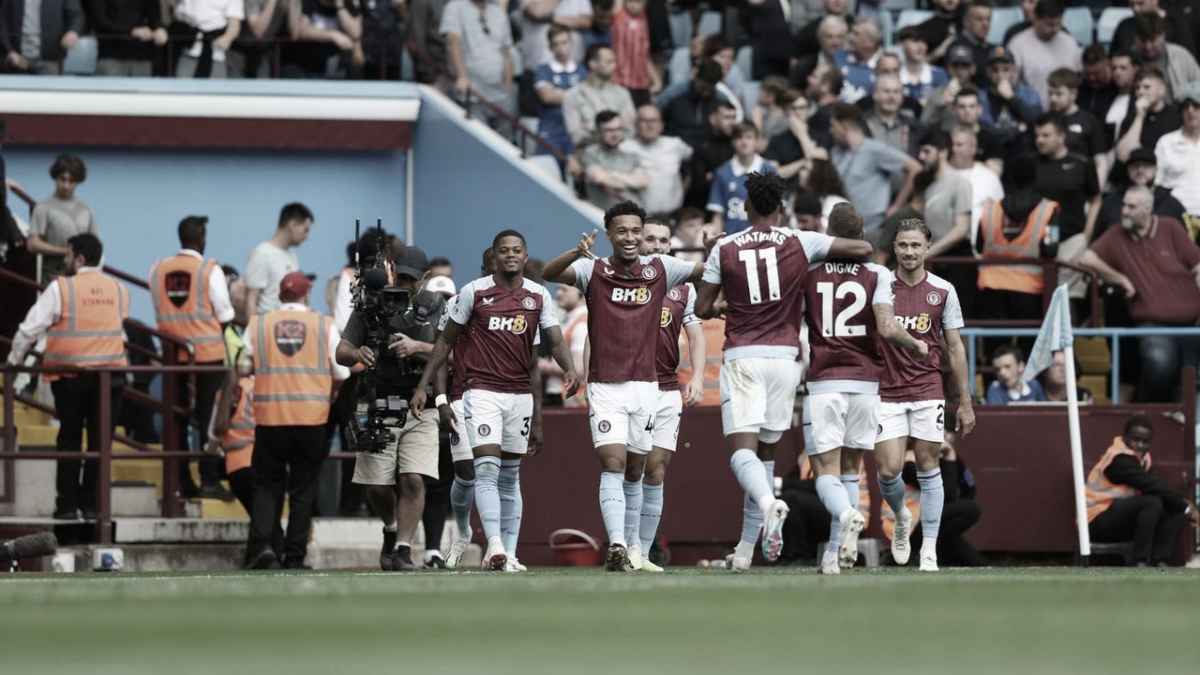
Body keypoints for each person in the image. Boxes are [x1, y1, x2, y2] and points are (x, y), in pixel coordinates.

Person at [694, 173, 872, 572]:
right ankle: (745, 549)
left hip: (744, 356)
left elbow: (703, 309)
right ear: (780, 206)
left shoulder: (725, 247)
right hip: (786, 359)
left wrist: (727, 298)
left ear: (747, 207)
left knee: (743, 452)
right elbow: (863, 247)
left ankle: (768, 503)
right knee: (767, 454)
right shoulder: (800, 241)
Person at [543, 201, 708, 571]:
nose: (631, 237)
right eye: (623, 231)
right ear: (610, 234)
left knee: (638, 469)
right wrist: (575, 250)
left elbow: (704, 270)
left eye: (637, 230)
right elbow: (547, 272)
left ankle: (636, 549)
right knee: (613, 462)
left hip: (648, 387)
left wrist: (715, 253)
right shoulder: (592, 269)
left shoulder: (662, 268)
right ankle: (617, 544)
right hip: (606, 386)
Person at [412, 231, 577, 570]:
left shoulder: (537, 296)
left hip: (518, 396)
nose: (510, 256)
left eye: (517, 250)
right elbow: (445, 345)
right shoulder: (472, 293)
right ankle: (491, 545)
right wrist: (430, 391)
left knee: (509, 476)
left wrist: (571, 370)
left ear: (526, 255)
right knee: (479, 469)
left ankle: (509, 553)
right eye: (504, 251)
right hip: (476, 391)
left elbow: (550, 346)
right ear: (493, 257)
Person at [801, 204, 927, 575]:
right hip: (866, 382)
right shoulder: (877, 274)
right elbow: (887, 328)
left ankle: (842, 521)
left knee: (825, 469)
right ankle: (835, 556)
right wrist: (915, 343)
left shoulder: (810, 272)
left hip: (826, 379)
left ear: (828, 233)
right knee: (852, 471)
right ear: (862, 237)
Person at [874, 217, 976, 572]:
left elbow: (955, 348)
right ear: (895, 248)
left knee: (929, 463)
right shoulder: (880, 285)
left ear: (927, 247)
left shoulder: (944, 290)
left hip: (927, 387)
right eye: (903, 245)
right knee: (888, 471)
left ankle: (928, 548)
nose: (909, 252)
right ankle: (902, 515)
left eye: (916, 245)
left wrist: (964, 401)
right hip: (885, 389)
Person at [336, 245, 445, 570]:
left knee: (413, 478)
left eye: (414, 279)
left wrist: (417, 347)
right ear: (392, 269)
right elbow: (341, 350)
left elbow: (451, 353)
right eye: (403, 276)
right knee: (376, 484)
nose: (407, 284)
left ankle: (403, 549)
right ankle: (391, 527)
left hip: (418, 403)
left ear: (425, 278)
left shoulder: (437, 305)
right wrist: (358, 355)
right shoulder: (370, 304)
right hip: (376, 401)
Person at [6, 233, 128, 521]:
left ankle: (67, 509)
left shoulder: (61, 288)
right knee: (101, 446)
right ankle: (94, 508)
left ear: (80, 258)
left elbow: (29, 329)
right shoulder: (119, 290)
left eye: (68, 254)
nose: (65, 259)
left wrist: (12, 364)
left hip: (71, 378)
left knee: (70, 442)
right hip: (111, 379)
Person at [242, 272, 348, 569]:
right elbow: (342, 373)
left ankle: (263, 548)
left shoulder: (259, 324)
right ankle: (294, 556)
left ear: (280, 295)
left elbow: (242, 364)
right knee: (303, 490)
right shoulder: (323, 325)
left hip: (270, 419)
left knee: (266, 487)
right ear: (306, 295)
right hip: (311, 420)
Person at [621, 218, 707, 571]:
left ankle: (643, 551)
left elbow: (696, 333)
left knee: (656, 470)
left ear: (670, 246)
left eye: (663, 240)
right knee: (630, 468)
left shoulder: (683, 289)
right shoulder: (618, 279)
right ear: (639, 243)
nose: (656, 245)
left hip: (667, 387)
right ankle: (624, 546)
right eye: (650, 239)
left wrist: (698, 376)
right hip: (626, 384)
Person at [1077, 186, 1200, 402]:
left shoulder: (1170, 227)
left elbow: (1197, 263)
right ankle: (1150, 411)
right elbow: (1086, 259)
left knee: (1191, 377)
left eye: (1131, 206)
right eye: (1124, 204)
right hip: (1152, 323)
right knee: (1159, 363)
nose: (1123, 210)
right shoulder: (1116, 233)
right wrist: (1119, 278)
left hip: (1191, 322)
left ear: (1147, 209)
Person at [150, 215, 236, 500]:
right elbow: (225, 315)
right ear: (201, 238)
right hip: (207, 356)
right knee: (208, 420)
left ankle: (181, 479)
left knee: (176, 418)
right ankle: (209, 479)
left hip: (172, 357)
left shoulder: (158, 269)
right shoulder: (209, 270)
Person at [1086, 414, 1198, 566]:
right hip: (1097, 520)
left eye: (1145, 442)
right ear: (1125, 437)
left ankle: (1160, 560)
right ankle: (1140, 561)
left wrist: (1182, 507)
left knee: (1173, 507)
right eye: (1135, 439)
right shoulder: (1118, 459)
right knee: (1152, 502)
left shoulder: (1142, 459)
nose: (1139, 445)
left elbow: (1157, 488)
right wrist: (1187, 508)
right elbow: (1151, 485)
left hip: (1121, 519)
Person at [973, 153, 1058, 322]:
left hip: (991, 287)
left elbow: (978, 245)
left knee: (994, 344)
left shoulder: (990, 210)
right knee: (1029, 344)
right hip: (1030, 289)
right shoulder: (1049, 210)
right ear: (1035, 177)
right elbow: (1051, 249)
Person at [829, 103, 921, 240]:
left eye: (833, 125)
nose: (831, 130)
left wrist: (897, 206)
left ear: (845, 126)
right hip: (841, 228)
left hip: (871, 228)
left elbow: (915, 169)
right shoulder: (835, 152)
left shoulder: (874, 150)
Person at [27, 155, 96, 285]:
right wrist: (64, 251)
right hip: (53, 277)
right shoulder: (43, 207)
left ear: (78, 182)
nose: (66, 185)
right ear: (55, 177)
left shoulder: (86, 210)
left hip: (80, 280)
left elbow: (94, 245)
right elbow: (32, 244)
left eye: (71, 181)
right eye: (62, 179)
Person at [441, 0, 514, 124]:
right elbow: (453, 43)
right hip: (472, 94)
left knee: (503, 141)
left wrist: (508, 86)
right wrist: (462, 76)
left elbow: (506, 51)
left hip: (500, 95)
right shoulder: (455, 6)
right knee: (478, 137)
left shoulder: (498, 11)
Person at [1033, 113, 1100, 244]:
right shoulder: (1029, 164)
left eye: (1046, 135)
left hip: (1072, 239)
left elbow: (1096, 201)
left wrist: (1087, 235)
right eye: (1037, 136)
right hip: (1037, 238)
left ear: (1061, 136)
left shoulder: (1082, 164)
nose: (1039, 140)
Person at [1097, 147, 1184, 239]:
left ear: (1155, 170)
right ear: (1128, 170)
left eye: (1146, 166)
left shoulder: (1171, 204)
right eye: (1135, 166)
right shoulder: (1111, 202)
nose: (1140, 170)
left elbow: (1183, 243)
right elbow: (1098, 239)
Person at [620, 105, 692, 216]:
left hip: (673, 215)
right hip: (639, 218)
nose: (649, 125)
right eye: (644, 120)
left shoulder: (675, 144)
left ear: (661, 125)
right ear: (636, 124)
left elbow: (693, 164)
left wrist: (684, 188)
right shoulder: (624, 148)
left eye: (654, 120)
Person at [1045, 68, 1110, 189]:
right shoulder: (1045, 121)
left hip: (1080, 186)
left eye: (1058, 94)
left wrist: (1096, 191)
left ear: (1073, 94)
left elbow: (1100, 160)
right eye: (1050, 93)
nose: (1053, 98)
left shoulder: (1089, 120)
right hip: (1049, 186)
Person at [1008, 0, 1081, 105]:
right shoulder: (1017, 44)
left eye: (1058, 24)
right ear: (1035, 19)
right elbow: (1012, 83)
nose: (1055, 29)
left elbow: (1078, 77)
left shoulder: (1070, 42)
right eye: (1050, 25)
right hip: (1032, 111)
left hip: (1065, 114)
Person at [244, 203, 312, 316]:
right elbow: (251, 300)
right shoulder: (262, 253)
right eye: (305, 230)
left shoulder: (292, 256)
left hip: (289, 326)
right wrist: (254, 331)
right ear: (292, 225)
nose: (307, 236)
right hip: (268, 328)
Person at [563, 44, 636, 148]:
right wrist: (604, 136)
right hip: (590, 153)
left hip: (622, 151)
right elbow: (576, 136)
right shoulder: (572, 95)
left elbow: (630, 130)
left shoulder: (622, 93)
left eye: (614, 61)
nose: (614, 66)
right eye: (609, 62)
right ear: (592, 64)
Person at [708, 123, 775, 234]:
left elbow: (777, 214)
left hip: (763, 242)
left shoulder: (769, 171)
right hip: (732, 241)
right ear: (733, 142)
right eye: (739, 138)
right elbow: (718, 216)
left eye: (749, 137)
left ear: (756, 141)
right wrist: (718, 245)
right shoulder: (722, 173)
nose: (744, 142)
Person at [534, 24, 588, 159]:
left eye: (564, 42)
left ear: (571, 43)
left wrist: (558, 93)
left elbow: (587, 98)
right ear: (550, 48)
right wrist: (576, 94)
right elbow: (547, 97)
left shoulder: (581, 70)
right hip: (551, 129)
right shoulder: (543, 70)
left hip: (576, 130)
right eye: (556, 44)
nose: (561, 48)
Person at [1116, 67, 1181, 176]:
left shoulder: (1177, 116)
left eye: (1147, 87)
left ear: (1162, 89)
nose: (1140, 92)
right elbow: (1123, 155)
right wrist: (1140, 116)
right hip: (1135, 177)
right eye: (1137, 88)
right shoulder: (1132, 117)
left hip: (1167, 177)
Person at [581, 110, 650, 210]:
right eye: (609, 130)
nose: (615, 134)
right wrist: (630, 179)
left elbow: (643, 181)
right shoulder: (591, 153)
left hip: (633, 215)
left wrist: (613, 175)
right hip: (601, 217)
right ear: (598, 132)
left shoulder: (630, 153)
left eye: (618, 129)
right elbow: (601, 179)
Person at [1153, 81, 1200, 224]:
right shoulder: (1166, 142)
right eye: (1185, 107)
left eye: (1196, 105)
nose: (1190, 111)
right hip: (1175, 216)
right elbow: (1156, 183)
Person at [662, 60, 729, 152]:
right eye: (703, 87)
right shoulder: (674, 94)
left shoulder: (721, 99)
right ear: (696, 78)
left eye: (710, 89)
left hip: (706, 149)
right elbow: (656, 114)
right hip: (676, 147)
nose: (706, 93)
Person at [0, 0, 83, 74]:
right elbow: (2, 22)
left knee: (51, 90)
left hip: (49, 60)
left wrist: (73, 32)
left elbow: (75, 15)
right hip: (16, 59)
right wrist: (8, 51)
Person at [1131, 12, 1200, 102]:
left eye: (1152, 40)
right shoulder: (1129, 60)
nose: (1148, 46)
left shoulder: (1180, 55)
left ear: (1163, 36)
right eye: (1143, 41)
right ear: (1135, 38)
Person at [88, 0, 168, 76]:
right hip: (111, 56)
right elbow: (100, 22)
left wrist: (159, 29)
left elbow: (154, 16)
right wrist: (132, 31)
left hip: (142, 56)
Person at [948, 124, 1005, 232]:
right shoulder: (938, 175)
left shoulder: (989, 178)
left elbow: (999, 216)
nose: (953, 149)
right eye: (951, 144)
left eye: (959, 145)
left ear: (973, 148)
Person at [170, 0, 243, 79]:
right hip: (187, 50)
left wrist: (227, 37)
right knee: (181, 87)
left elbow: (234, 24)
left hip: (216, 54)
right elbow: (176, 13)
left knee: (217, 89)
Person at [609, 0, 658, 106]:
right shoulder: (619, 15)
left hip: (642, 83)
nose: (633, 5)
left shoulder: (644, 19)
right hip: (621, 81)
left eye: (638, 2)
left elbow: (645, 55)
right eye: (630, 1)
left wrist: (656, 79)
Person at [1111, 0, 1197, 58]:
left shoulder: (1175, 23)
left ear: (1155, 1)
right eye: (1131, 5)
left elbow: (1188, 55)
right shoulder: (1124, 26)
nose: (1135, 9)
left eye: (1140, 3)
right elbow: (1114, 56)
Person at [862, 74, 920, 158]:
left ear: (902, 97)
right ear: (875, 94)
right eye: (886, 91)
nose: (892, 97)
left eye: (896, 92)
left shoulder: (915, 127)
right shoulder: (861, 124)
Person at [897, 26, 949, 110]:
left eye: (924, 42)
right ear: (901, 44)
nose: (921, 47)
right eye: (915, 41)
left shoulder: (939, 75)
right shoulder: (894, 75)